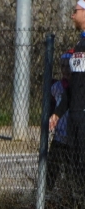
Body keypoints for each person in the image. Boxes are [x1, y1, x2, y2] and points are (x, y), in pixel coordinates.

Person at [50, 1, 85, 191]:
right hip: (76, 116)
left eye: (75, 11)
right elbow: (74, 85)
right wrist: (58, 112)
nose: (72, 16)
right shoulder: (80, 46)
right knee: (76, 170)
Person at [48, 50, 73, 191]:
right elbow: (52, 104)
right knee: (51, 171)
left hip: (73, 138)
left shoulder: (77, 87)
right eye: (62, 66)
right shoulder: (57, 87)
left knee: (72, 174)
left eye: (68, 66)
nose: (65, 70)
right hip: (59, 137)